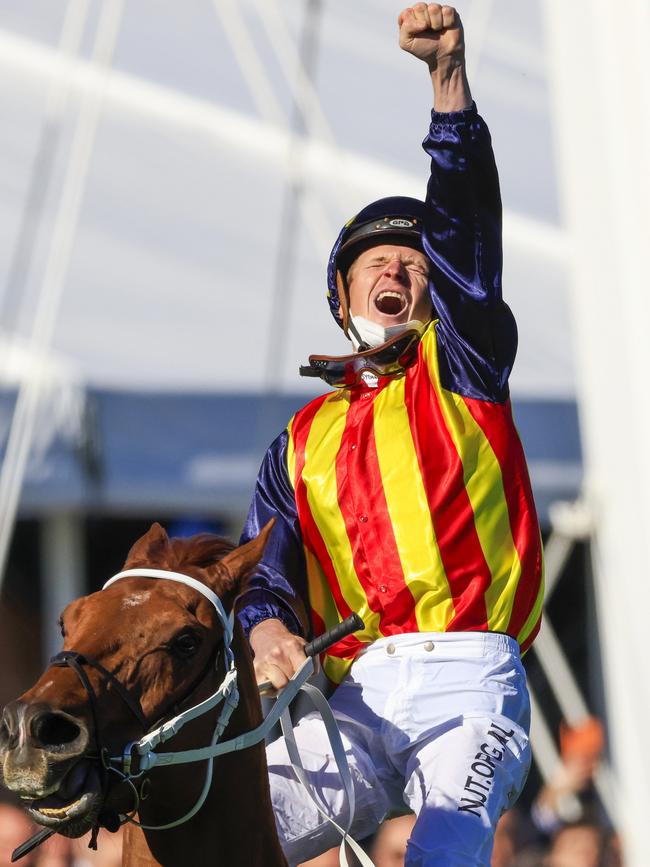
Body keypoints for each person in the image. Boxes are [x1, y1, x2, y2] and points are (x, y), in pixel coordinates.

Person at [237, 4, 544, 865]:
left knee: (443, 848)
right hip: (356, 691)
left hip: (472, 677)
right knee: (227, 836)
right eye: (378, 263)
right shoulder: (298, 440)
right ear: (343, 297)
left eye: (414, 264)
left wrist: (447, 81)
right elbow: (264, 572)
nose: (399, 271)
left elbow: (467, 240)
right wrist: (266, 629)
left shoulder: (466, 363)